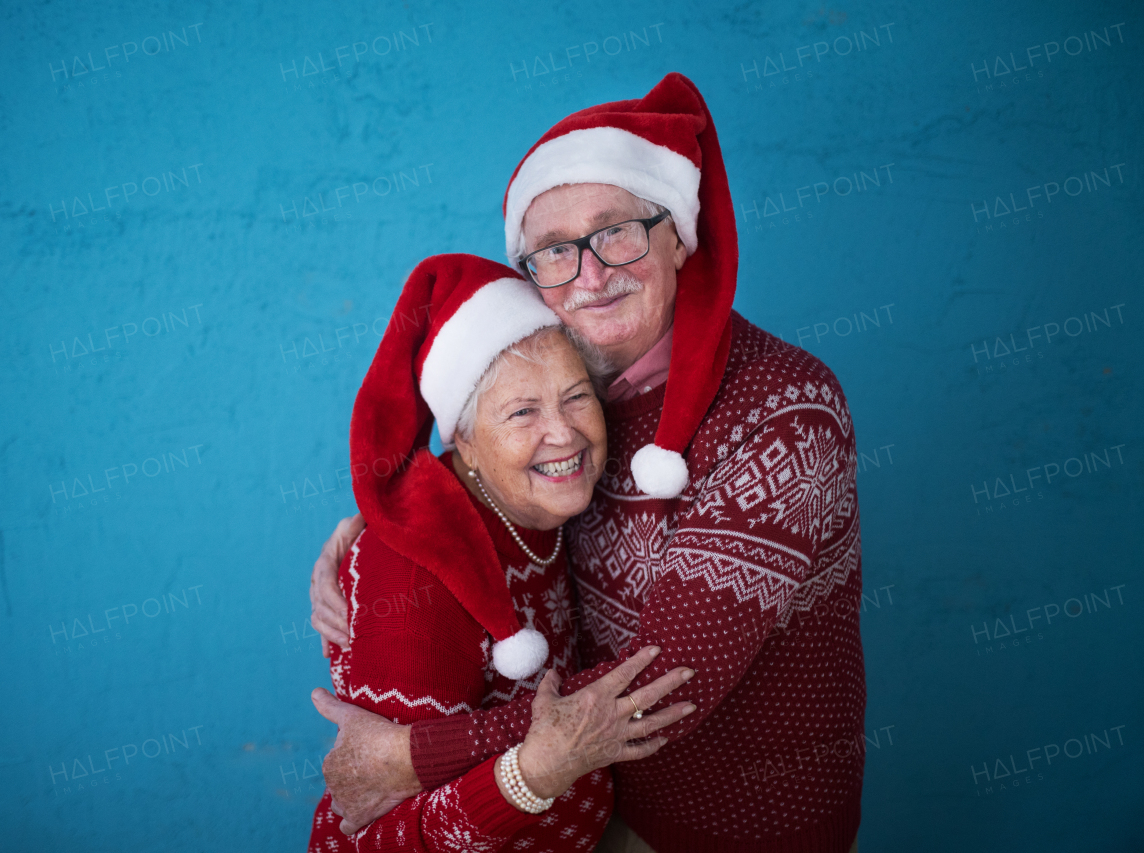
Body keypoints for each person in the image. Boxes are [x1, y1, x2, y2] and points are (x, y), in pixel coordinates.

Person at [311, 75, 865, 853]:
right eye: (556, 252)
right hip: (591, 813)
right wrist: (377, 533)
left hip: (744, 827)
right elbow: (485, 476)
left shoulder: (784, 408)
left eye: (619, 232)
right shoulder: (574, 395)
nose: (592, 273)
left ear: (679, 234)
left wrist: (411, 756)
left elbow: (663, 685)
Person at [308, 254, 695, 853]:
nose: (563, 434)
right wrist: (534, 775)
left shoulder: (540, 507)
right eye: (522, 412)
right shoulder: (415, 583)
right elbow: (365, 841)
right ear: (462, 437)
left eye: (575, 397)